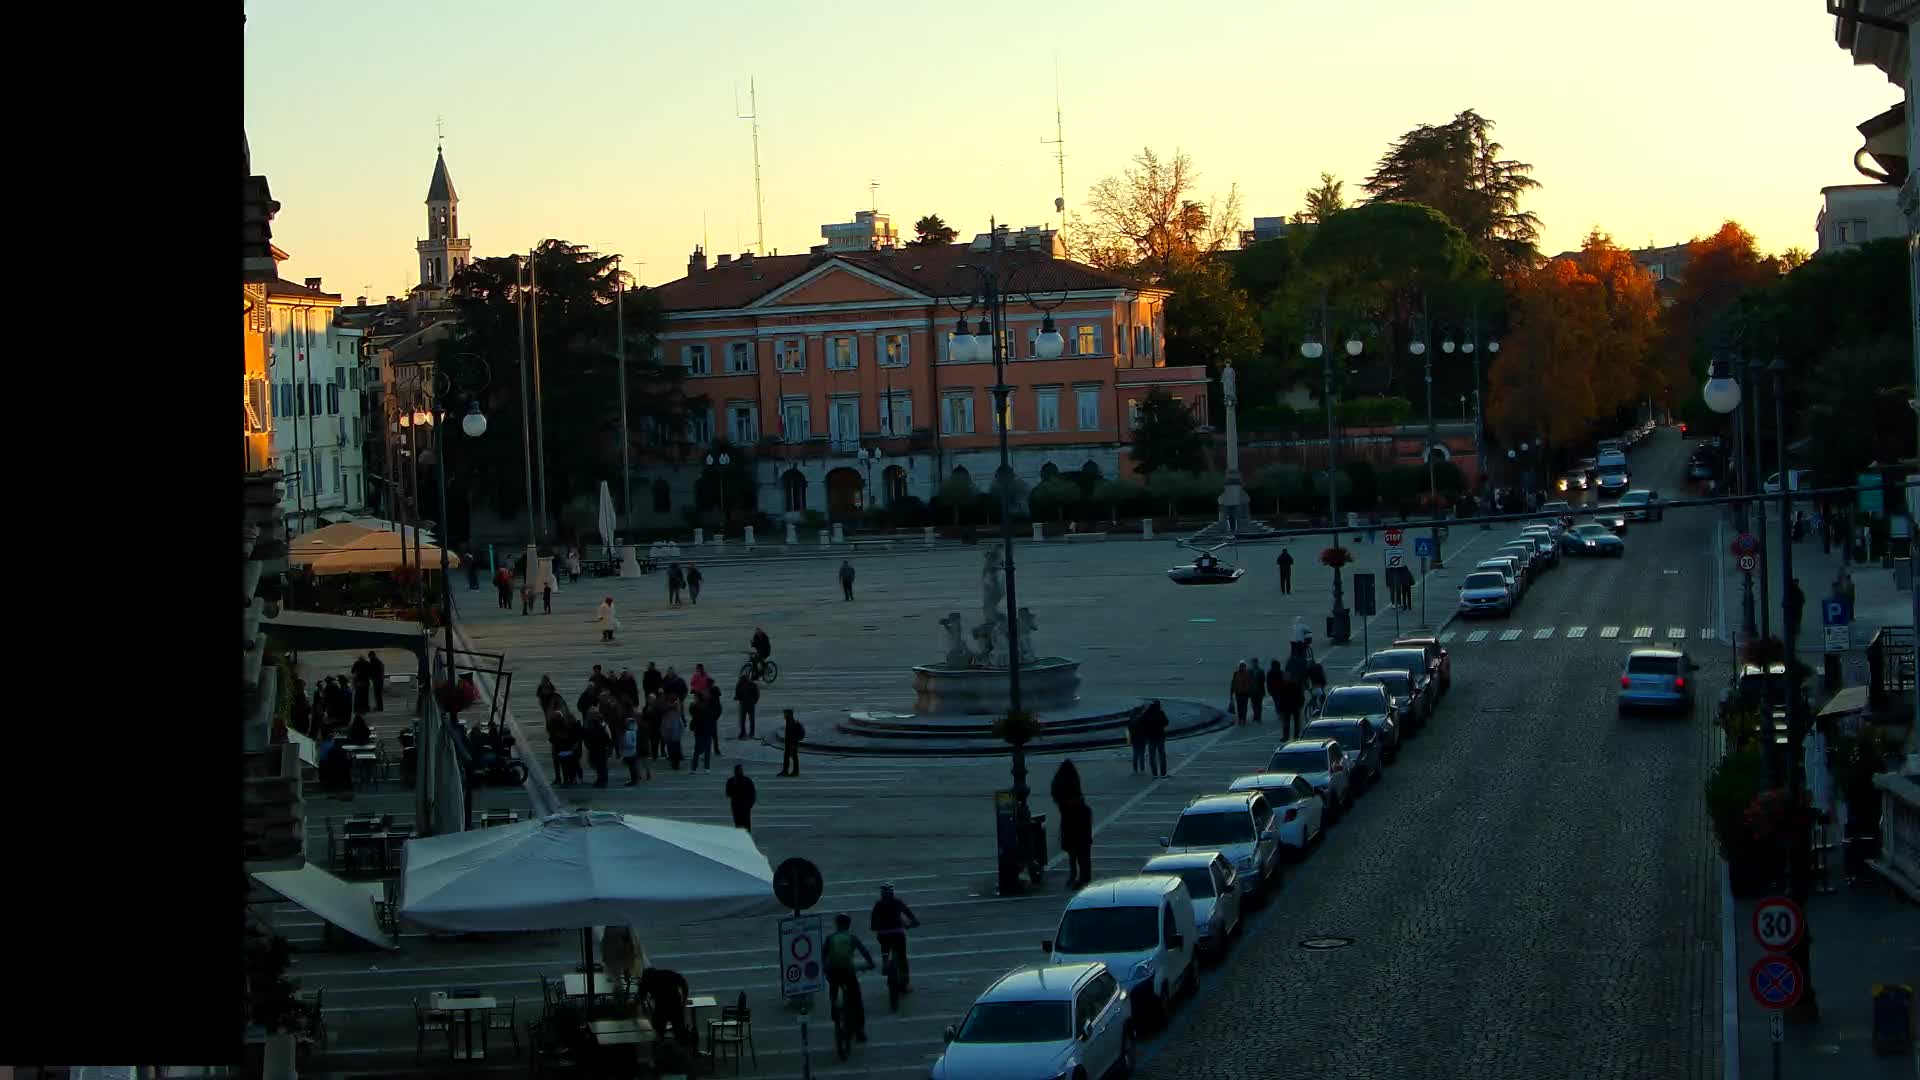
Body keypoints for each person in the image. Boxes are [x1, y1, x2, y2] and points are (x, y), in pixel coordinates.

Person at [822, 913, 875, 1043]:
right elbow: (864, 952)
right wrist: (870, 964)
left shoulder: (830, 938)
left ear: (836, 924)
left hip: (834, 972)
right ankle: (860, 1032)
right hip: (848, 972)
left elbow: (823, 957)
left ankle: (834, 1009)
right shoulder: (851, 938)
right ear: (848, 925)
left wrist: (825, 970)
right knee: (857, 1001)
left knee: (833, 989)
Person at [869, 884, 921, 994]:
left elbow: (873, 924)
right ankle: (906, 984)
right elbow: (909, 914)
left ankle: (885, 961)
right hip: (898, 933)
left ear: (882, 894)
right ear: (892, 893)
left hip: (884, 934)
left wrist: (877, 927)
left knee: (884, 945)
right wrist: (913, 922)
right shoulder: (898, 902)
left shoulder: (878, 905)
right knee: (902, 958)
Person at [637, 965, 693, 1048]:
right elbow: (683, 983)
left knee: (658, 1033)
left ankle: (661, 1048)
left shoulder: (646, 981)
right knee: (678, 1033)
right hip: (672, 1005)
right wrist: (684, 1000)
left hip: (665, 1006)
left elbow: (641, 998)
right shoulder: (667, 974)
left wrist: (645, 1009)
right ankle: (682, 1050)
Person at [1061, 795, 1094, 889]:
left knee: (1081, 859)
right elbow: (1064, 826)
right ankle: (1079, 876)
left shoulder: (1079, 811)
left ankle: (1082, 876)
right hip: (1075, 839)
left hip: (1080, 839)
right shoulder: (1071, 810)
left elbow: (1084, 827)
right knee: (1077, 859)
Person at [689, 689, 718, 772]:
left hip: (700, 730)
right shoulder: (706, 706)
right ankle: (706, 767)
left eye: (695, 697)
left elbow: (694, 716)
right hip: (706, 730)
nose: (694, 699)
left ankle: (694, 768)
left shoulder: (696, 707)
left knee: (698, 750)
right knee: (706, 749)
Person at [1139, 699, 1169, 778]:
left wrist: (1146, 730)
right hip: (1160, 736)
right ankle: (1163, 773)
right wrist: (1160, 725)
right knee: (1162, 755)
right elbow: (1166, 722)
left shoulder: (1147, 713)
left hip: (1150, 737)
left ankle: (1154, 773)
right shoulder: (1160, 713)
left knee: (1152, 756)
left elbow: (1141, 722)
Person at [585, 705, 613, 788]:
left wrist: (608, 745)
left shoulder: (598, 722)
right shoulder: (593, 722)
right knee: (599, 764)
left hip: (599, 746)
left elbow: (606, 734)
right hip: (596, 746)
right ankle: (601, 779)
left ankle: (602, 780)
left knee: (601, 765)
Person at [618, 707, 648, 784]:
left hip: (637, 748)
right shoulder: (636, 726)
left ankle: (637, 777)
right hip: (638, 747)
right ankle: (639, 775)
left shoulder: (635, 728)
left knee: (636, 763)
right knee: (637, 762)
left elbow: (630, 742)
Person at [725, 764, 757, 830]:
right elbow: (753, 793)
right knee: (745, 821)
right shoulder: (747, 780)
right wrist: (750, 803)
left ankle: (741, 833)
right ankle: (746, 833)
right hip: (744, 804)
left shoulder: (731, 781)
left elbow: (728, 794)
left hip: (737, 803)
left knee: (738, 821)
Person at [733, 671, 760, 739]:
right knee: (749, 720)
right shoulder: (751, 684)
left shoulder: (740, 684)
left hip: (745, 704)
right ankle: (749, 733)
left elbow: (737, 694)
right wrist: (754, 701)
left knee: (744, 720)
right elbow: (757, 694)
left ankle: (745, 733)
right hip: (748, 704)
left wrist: (737, 698)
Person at [780, 708, 805, 777]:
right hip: (790, 742)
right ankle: (786, 771)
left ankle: (795, 772)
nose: (784, 715)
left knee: (794, 757)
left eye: (785, 713)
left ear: (789, 714)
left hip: (791, 743)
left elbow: (792, 734)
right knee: (787, 756)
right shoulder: (789, 721)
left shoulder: (791, 722)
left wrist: (792, 744)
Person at [662, 698, 685, 770]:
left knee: (672, 749)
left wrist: (664, 734)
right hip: (675, 736)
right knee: (675, 749)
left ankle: (674, 762)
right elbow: (681, 726)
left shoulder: (668, 717)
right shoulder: (676, 716)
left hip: (672, 736)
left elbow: (663, 727)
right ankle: (675, 763)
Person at [1127, 705, 1147, 775]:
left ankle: (1135, 768)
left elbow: (1129, 730)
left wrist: (1129, 740)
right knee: (1141, 755)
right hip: (1142, 739)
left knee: (1135, 754)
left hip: (1134, 739)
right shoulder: (1143, 720)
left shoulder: (1131, 721)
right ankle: (1142, 768)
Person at [1247, 656, 1266, 723]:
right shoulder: (1250, 671)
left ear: (1257, 663)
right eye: (1253, 662)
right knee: (1254, 704)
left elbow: (1263, 680)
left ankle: (1258, 717)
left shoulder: (1261, 671)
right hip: (1253, 691)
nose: (1254, 664)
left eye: (1255, 662)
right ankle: (1256, 716)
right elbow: (1248, 681)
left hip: (1259, 690)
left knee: (1259, 705)